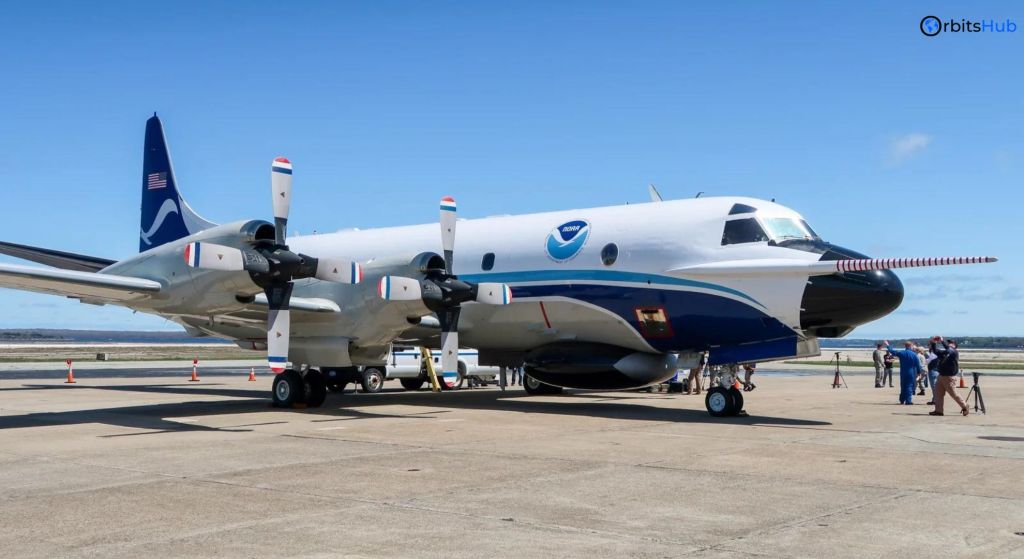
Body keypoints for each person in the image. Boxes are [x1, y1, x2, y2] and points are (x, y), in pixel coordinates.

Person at [930, 337, 969, 416]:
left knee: (953, 393)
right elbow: (935, 351)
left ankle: (964, 405)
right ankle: (939, 410)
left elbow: (949, 349)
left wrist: (942, 341)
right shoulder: (945, 353)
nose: (949, 344)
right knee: (938, 394)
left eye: (951, 343)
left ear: (955, 345)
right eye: (949, 343)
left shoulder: (954, 352)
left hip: (949, 377)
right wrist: (933, 343)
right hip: (941, 376)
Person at [885, 340, 920, 405]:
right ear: (911, 346)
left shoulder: (902, 353)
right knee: (909, 386)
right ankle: (908, 400)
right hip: (911, 372)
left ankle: (902, 399)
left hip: (903, 372)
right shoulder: (914, 355)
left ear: (905, 346)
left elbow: (893, 352)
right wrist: (919, 372)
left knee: (903, 386)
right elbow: (918, 364)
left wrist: (888, 345)